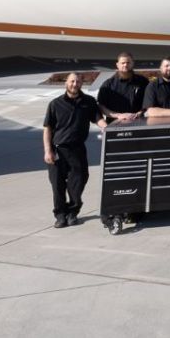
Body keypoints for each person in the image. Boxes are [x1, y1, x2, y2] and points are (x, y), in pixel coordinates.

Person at [42, 71, 106, 227]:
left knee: (78, 182)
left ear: (81, 83)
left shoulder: (88, 102)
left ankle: (73, 212)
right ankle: (60, 215)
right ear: (66, 83)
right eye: (72, 81)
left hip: (77, 150)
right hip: (57, 150)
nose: (75, 84)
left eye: (78, 82)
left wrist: (107, 129)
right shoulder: (55, 104)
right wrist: (48, 150)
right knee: (57, 186)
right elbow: (47, 129)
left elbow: (98, 119)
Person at [95, 52, 147, 123]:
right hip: (115, 124)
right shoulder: (108, 85)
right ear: (117, 65)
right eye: (123, 63)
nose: (125, 65)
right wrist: (118, 115)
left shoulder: (143, 81)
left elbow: (149, 101)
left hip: (139, 122)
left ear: (133, 64)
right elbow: (101, 106)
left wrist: (139, 113)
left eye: (128, 62)